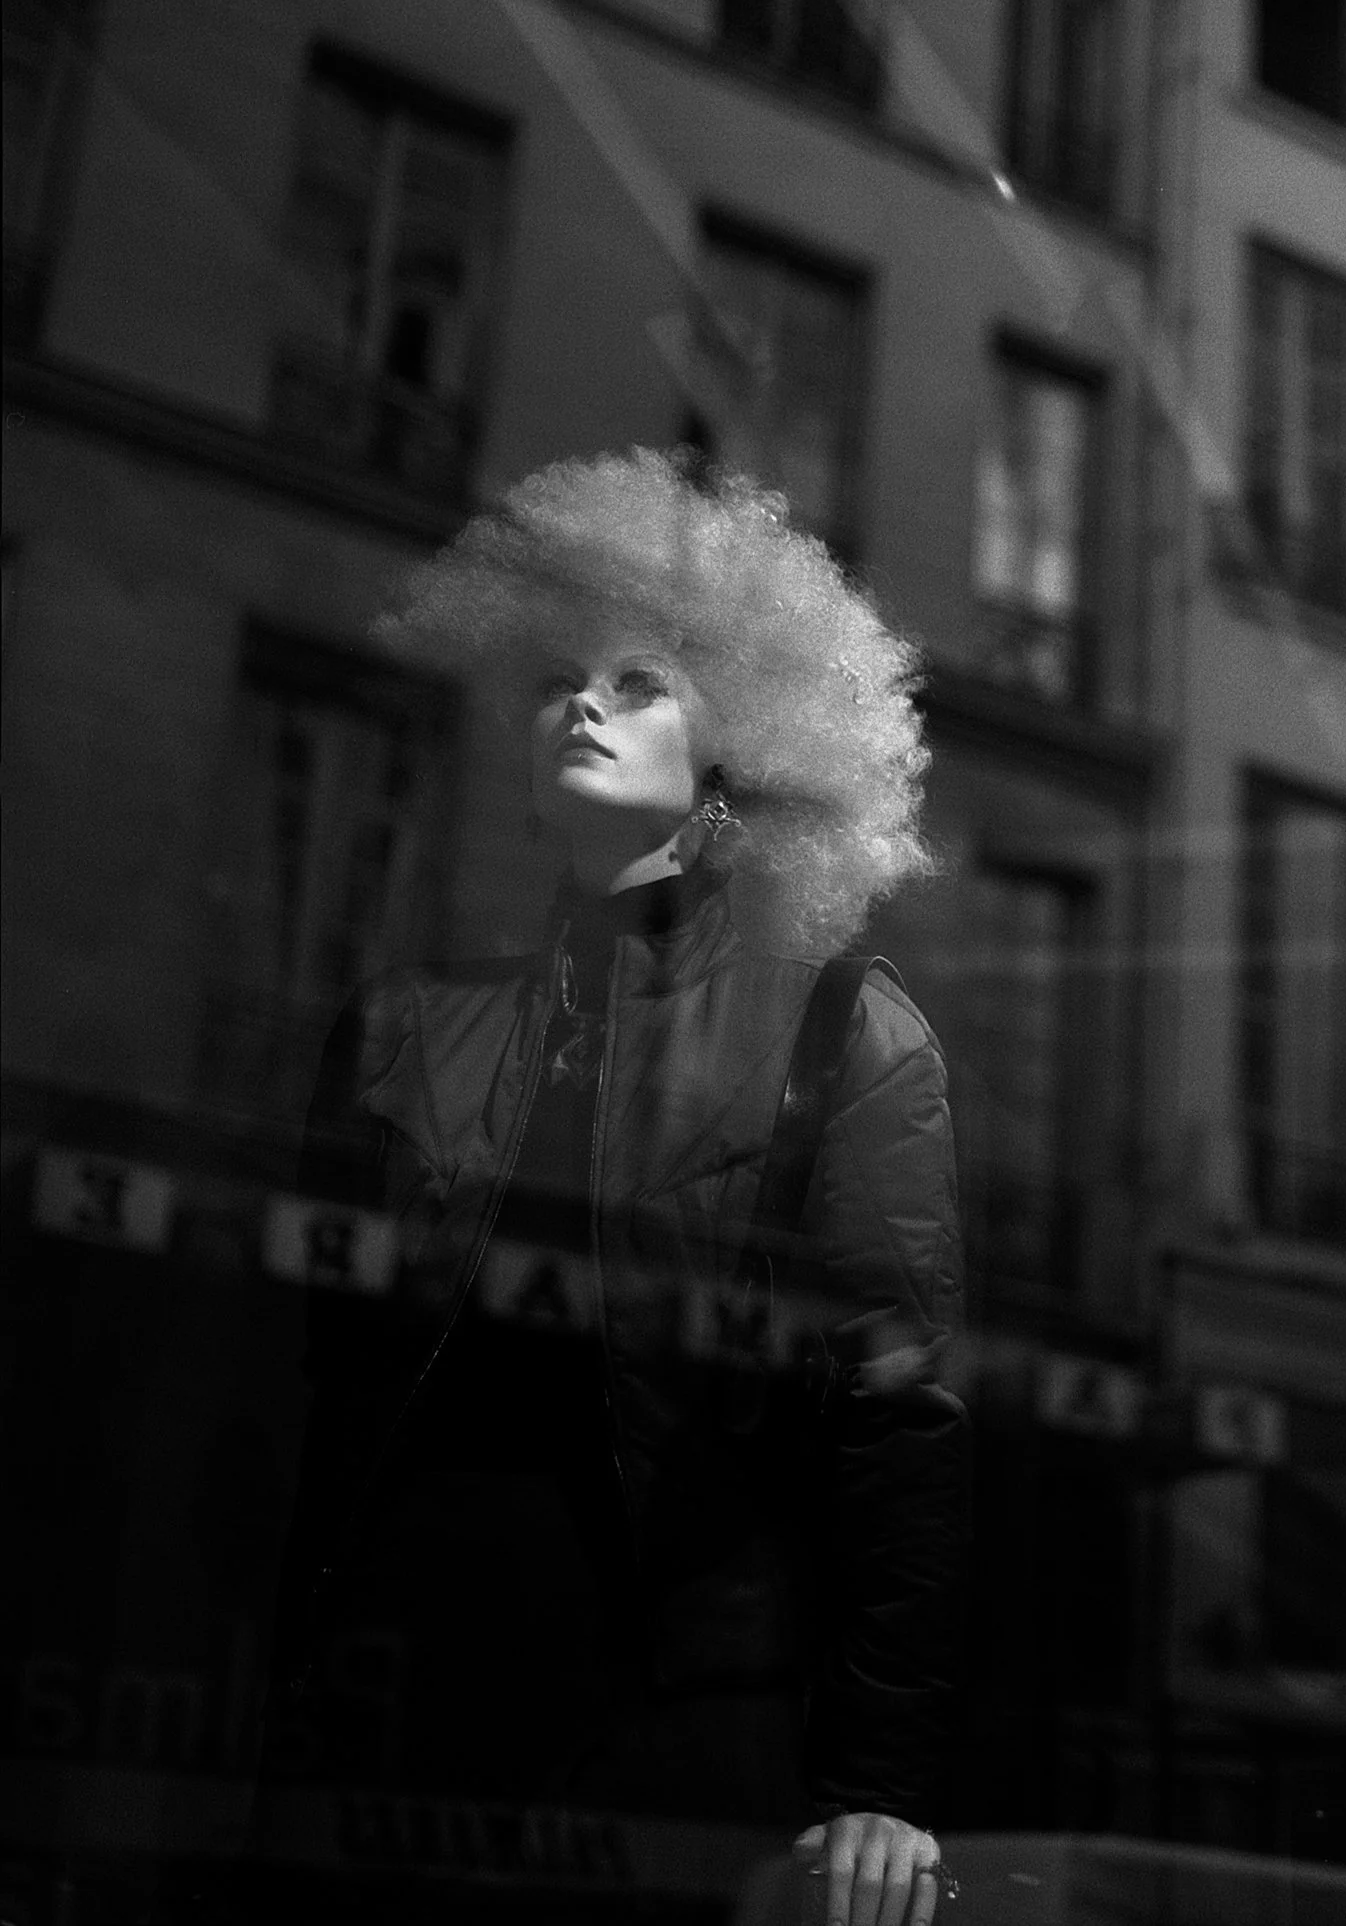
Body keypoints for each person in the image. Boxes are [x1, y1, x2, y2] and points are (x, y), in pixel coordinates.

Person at [265, 450, 967, 1926]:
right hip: (390, 1714)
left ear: (733, 765)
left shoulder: (839, 1033)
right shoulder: (402, 1031)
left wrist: (876, 1786)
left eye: (639, 682)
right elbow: (286, 1398)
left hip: (673, 1728)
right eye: (558, 683)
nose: (580, 703)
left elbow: (892, 1430)